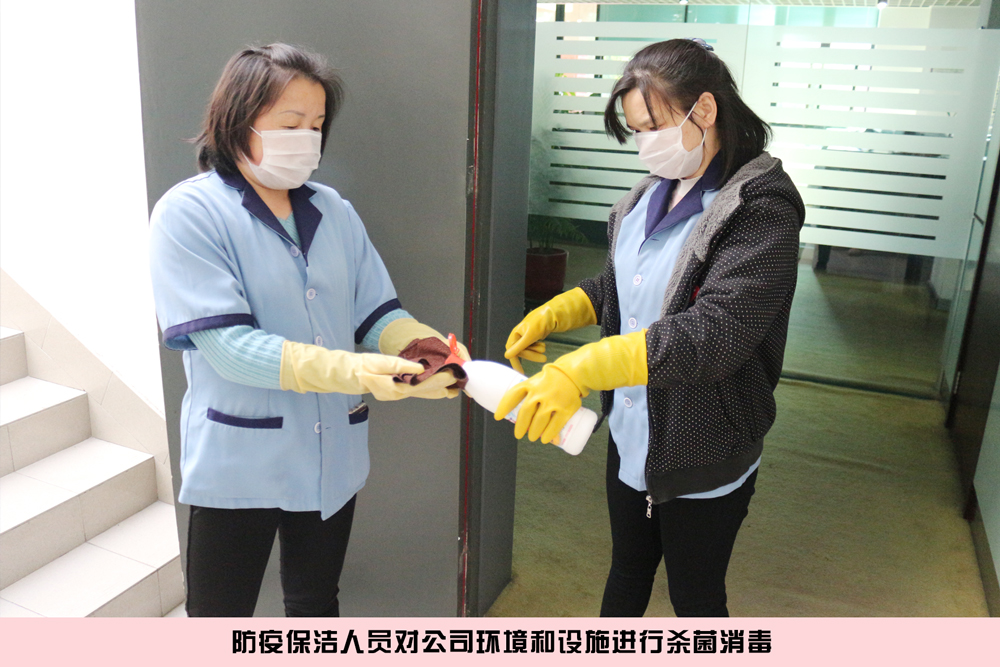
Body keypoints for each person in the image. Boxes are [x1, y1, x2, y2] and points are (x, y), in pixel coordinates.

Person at [148, 43, 467, 617]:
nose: (307, 138)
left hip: (330, 449)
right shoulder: (189, 213)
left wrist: (421, 349)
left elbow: (375, 314)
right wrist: (359, 373)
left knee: (316, 601)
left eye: (316, 125)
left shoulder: (333, 210)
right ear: (237, 120)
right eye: (290, 123)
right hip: (242, 454)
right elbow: (230, 349)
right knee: (219, 616)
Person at [498, 38, 804, 617]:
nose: (645, 145)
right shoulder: (651, 194)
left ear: (705, 109)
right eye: (636, 131)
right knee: (627, 570)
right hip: (633, 432)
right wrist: (559, 311)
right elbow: (624, 282)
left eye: (654, 126)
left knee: (696, 597)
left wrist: (583, 367)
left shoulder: (759, 209)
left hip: (703, 443)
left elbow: (715, 334)